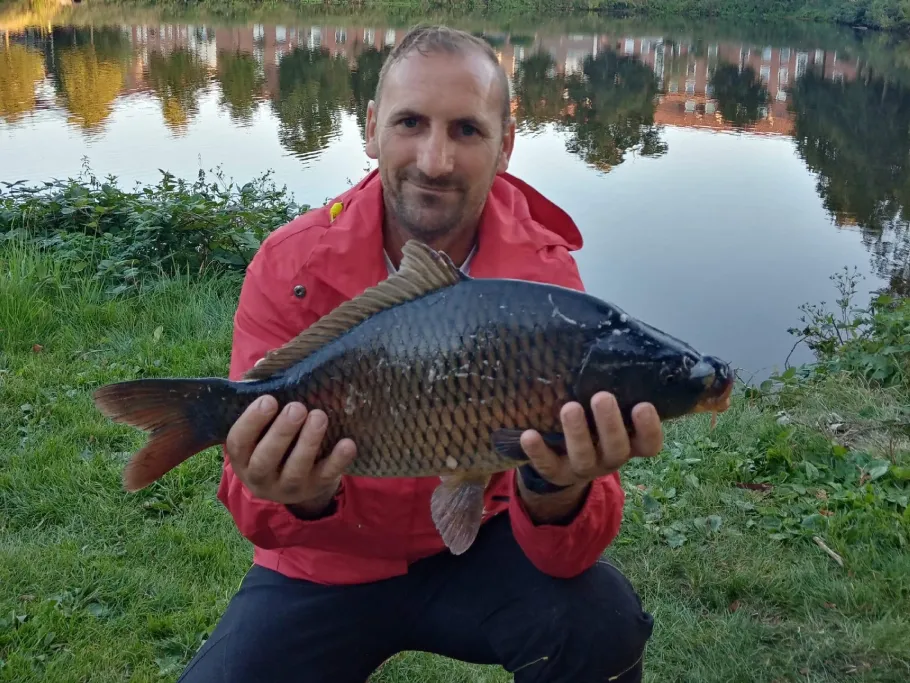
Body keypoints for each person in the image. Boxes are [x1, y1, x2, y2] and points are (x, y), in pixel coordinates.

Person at [177, 24, 658, 683]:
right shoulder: (290, 263)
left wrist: (557, 486)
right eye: (410, 123)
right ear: (371, 128)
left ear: (506, 144)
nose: (435, 160)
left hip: (482, 545)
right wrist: (297, 495)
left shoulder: (543, 282)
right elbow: (250, 499)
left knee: (602, 620)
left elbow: (574, 540)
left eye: (466, 130)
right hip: (328, 563)